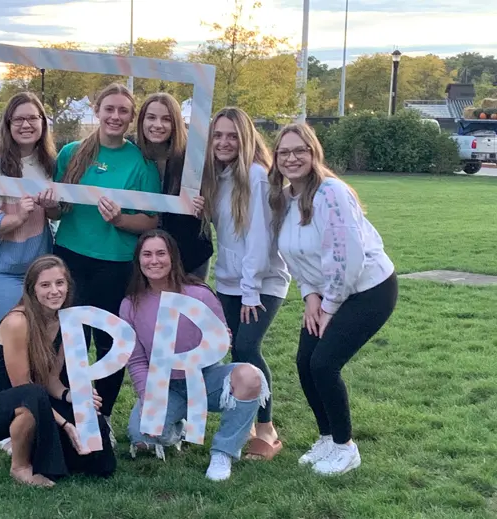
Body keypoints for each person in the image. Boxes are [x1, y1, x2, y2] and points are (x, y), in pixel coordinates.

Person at [269, 123, 398, 475]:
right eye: (284, 152)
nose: (292, 158)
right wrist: (310, 295)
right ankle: (326, 437)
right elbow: (295, 255)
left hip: (369, 289)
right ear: (276, 158)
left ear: (314, 153)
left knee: (324, 363)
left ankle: (345, 448)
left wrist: (328, 306)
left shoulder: (332, 193)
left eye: (300, 150)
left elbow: (347, 257)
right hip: (326, 294)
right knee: (304, 362)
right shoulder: (286, 199)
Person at [47, 83, 161, 439]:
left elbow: (151, 220)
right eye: (109, 109)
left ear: (131, 118)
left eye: (123, 111)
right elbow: (57, 208)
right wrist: (47, 203)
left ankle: (103, 415)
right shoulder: (70, 152)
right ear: (97, 110)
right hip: (71, 258)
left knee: (110, 342)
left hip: (115, 263)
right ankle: (72, 414)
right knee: (69, 339)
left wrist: (119, 220)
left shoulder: (141, 163)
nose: (115, 116)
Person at [120, 230, 270, 481]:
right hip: (165, 385)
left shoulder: (198, 293)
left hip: (204, 379)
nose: (154, 261)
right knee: (141, 437)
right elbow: (135, 360)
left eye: (160, 253)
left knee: (250, 377)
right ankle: (178, 428)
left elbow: (222, 337)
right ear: (138, 261)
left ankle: (223, 452)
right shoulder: (130, 304)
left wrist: (218, 339)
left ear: (173, 258)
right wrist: (150, 398)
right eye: (147, 254)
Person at [0, 255, 116, 486]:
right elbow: (24, 388)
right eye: (45, 285)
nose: (54, 291)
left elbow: (50, 379)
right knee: (33, 396)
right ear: (32, 289)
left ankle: (50, 452)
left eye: (59, 283)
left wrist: (71, 396)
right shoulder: (18, 321)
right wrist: (66, 425)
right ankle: (20, 466)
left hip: (36, 397)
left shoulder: (67, 321)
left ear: (68, 286)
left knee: (99, 458)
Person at [200, 107, 290, 460]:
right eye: (218, 135)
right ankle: (247, 422)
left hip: (262, 281)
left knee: (248, 349)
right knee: (235, 350)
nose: (224, 142)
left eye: (232, 136)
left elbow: (258, 239)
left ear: (246, 139)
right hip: (228, 281)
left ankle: (266, 429)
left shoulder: (256, 175)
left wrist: (251, 289)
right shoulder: (219, 177)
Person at [0, 92, 57, 333]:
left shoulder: (50, 164)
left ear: (43, 123)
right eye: (18, 119)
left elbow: (55, 216)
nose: (26, 125)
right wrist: (16, 218)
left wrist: (52, 207)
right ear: (7, 125)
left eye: (33, 118)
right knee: (13, 339)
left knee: (42, 340)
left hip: (36, 270)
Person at [133, 93, 212, 278]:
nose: (158, 125)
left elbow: (211, 207)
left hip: (190, 256)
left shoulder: (193, 158)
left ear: (176, 123)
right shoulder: (132, 155)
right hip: (145, 259)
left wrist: (203, 208)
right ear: (141, 121)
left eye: (166, 119)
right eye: (151, 117)